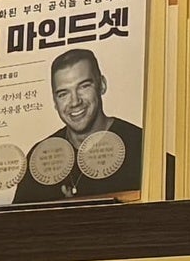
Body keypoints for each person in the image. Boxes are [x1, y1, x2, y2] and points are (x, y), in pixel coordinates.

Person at [11, 45, 144, 203]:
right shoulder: (39, 156)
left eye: (84, 86)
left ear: (102, 85)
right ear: (55, 102)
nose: (75, 102)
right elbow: (18, 218)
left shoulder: (141, 145)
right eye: (63, 94)